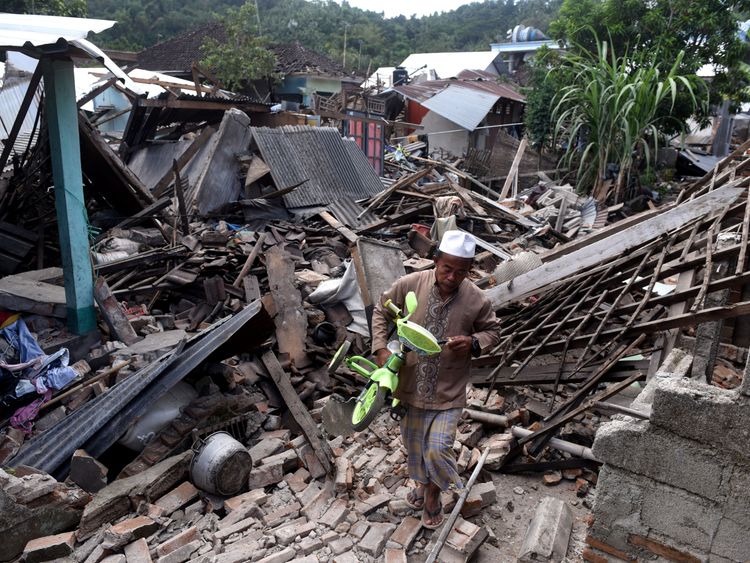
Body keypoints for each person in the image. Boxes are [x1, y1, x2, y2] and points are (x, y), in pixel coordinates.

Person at [370, 230, 501, 529]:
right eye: (447, 268)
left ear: (470, 271)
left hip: (449, 390)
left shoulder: (477, 300)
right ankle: (423, 485)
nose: (453, 277)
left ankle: (432, 496)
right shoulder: (410, 284)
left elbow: (493, 332)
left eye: (461, 271)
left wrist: (473, 341)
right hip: (408, 385)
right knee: (414, 445)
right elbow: (382, 309)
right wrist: (379, 347)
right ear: (436, 260)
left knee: (438, 448)